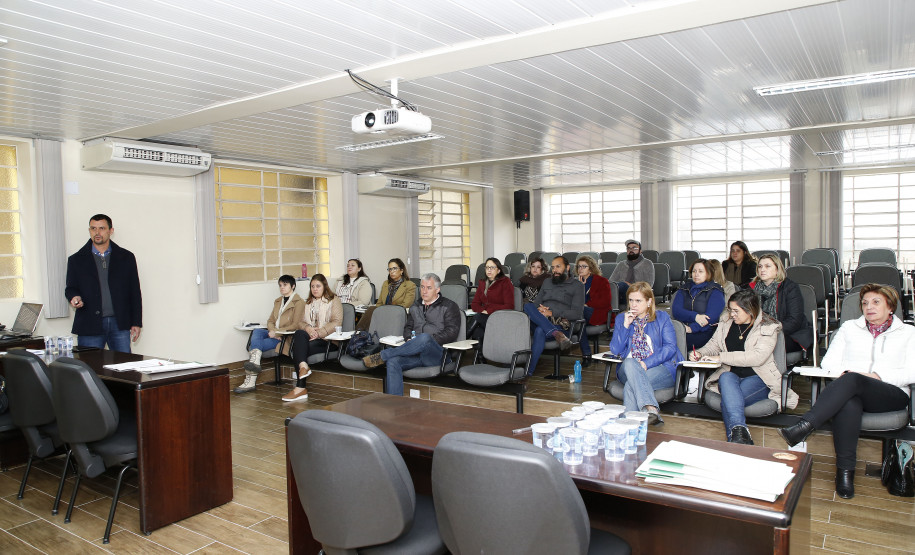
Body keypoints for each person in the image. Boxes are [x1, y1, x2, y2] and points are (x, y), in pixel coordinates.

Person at [778, 284, 915, 499]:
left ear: (891, 307)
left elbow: (912, 371)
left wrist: (876, 376)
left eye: (876, 302)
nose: (869, 307)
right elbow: (829, 362)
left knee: (852, 382)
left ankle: (805, 426)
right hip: (851, 390)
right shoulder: (849, 328)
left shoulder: (908, 332)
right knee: (849, 402)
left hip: (891, 392)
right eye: (865, 303)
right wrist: (855, 377)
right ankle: (844, 474)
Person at [690, 289, 798, 445]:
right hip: (730, 375)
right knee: (726, 378)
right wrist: (699, 353)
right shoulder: (726, 322)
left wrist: (721, 357)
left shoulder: (768, 326)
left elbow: (756, 357)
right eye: (730, 310)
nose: (731, 314)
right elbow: (713, 345)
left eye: (736, 311)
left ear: (750, 311)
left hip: (758, 377)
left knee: (729, 401)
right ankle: (740, 434)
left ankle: (736, 438)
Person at [363, 273, 462, 396]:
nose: (424, 291)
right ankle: (394, 403)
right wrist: (409, 339)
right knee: (393, 362)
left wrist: (426, 341)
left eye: (429, 288)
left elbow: (451, 332)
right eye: (422, 287)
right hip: (415, 353)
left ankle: (383, 355)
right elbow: (408, 327)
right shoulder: (416, 305)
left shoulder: (449, 306)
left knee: (425, 338)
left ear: (437, 289)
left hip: (438, 355)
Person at [65, 214, 142, 353]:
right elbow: (70, 288)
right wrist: (74, 297)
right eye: (93, 228)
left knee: (124, 369)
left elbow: (135, 291)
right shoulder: (76, 260)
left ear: (111, 231)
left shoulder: (126, 257)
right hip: (90, 323)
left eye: (101, 228)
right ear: (89, 230)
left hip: (119, 323)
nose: (97, 232)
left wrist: (136, 322)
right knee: (90, 369)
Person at [609, 282, 683, 424]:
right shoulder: (621, 319)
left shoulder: (662, 318)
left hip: (661, 367)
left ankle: (628, 426)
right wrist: (625, 326)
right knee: (631, 363)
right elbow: (615, 350)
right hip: (628, 369)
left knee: (631, 386)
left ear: (649, 301)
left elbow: (670, 347)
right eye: (631, 300)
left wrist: (646, 363)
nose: (633, 305)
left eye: (638, 301)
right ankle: (650, 408)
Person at [235, 274, 305, 394]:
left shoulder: (299, 302)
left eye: (285, 285)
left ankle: (250, 382)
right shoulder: (278, 301)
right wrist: (272, 331)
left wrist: (278, 333)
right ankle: (255, 362)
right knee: (256, 331)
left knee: (257, 345)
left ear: (293, 286)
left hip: (285, 337)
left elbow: (296, 325)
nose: (282, 287)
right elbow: (270, 321)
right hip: (274, 333)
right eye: (280, 285)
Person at [283, 274, 343, 402]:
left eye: (318, 286)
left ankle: (300, 388)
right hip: (311, 337)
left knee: (298, 348)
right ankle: (304, 366)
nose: (315, 289)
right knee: (299, 334)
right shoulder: (309, 302)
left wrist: (319, 333)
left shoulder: (334, 300)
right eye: (312, 286)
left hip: (328, 340)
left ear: (324, 286)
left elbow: (337, 322)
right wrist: (309, 329)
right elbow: (301, 322)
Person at [523, 256, 584, 376]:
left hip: (560, 323)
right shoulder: (547, 282)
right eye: (553, 267)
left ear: (567, 268)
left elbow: (577, 313)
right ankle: (556, 334)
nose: (554, 270)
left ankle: (528, 372)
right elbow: (535, 304)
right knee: (527, 306)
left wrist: (552, 313)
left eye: (558, 266)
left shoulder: (577, 286)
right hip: (542, 319)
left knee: (540, 330)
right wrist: (540, 308)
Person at [748, 254, 812, 355]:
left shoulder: (790, 288)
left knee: (763, 344)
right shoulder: (752, 289)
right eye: (760, 266)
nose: (762, 269)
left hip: (788, 334)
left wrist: (771, 330)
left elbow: (794, 321)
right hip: (759, 333)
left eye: (767, 266)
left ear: (777, 270)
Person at [671, 258, 725, 351]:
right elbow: (677, 311)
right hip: (682, 329)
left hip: (705, 331)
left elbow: (711, 317)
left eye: (700, 271)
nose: (696, 274)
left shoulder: (715, 290)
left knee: (678, 343)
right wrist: (695, 316)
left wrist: (692, 328)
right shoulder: (684, 289)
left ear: (708, 273)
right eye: (694, 271)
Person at [355, 258, 416, 331]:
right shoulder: (386, 284)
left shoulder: (410, 285)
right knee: (371, 309)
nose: (392, 271)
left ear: (401, 270)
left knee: (372, 311)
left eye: (394, 268)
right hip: (383, 312)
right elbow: (379, 303)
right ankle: (359, 333)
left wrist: (387, 310)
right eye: (390, 269)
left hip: (397, 314)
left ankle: (359, 334)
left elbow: (406, 305)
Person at [575, 255, 611, 366]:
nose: (580, 269)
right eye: (579, 266)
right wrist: (581, 287)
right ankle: (586, 355)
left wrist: (586, 304)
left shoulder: (602, 281)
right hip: (582, 314)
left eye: (584, 266)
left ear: (590, 268)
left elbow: (605, 301)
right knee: (580, 319)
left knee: (578, 314)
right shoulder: (576, 283)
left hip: (598, 313)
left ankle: (568, 331)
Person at [468, 257, 514, 341]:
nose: (489, 270)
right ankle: (480, 354)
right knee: (477, 332)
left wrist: (489, 310)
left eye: (492, 268)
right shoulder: (482, 283)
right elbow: (474, 304)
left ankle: (462, 339)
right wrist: (483, 311)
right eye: (487, 267)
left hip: (500, 317)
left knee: (477, 317)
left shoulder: (505, 282)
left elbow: (509, 305)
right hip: (485, 316)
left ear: (498, 270)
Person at [608, 239, 655, 304]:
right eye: (629, 248)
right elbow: (611, 281)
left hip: (638, 293)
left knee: (623, 285)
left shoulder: (647, 263)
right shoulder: (621, 264)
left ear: (640, 251)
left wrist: (632, 286)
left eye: (634, 248)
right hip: (620, 293)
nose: (631, 250)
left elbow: (649, 285)